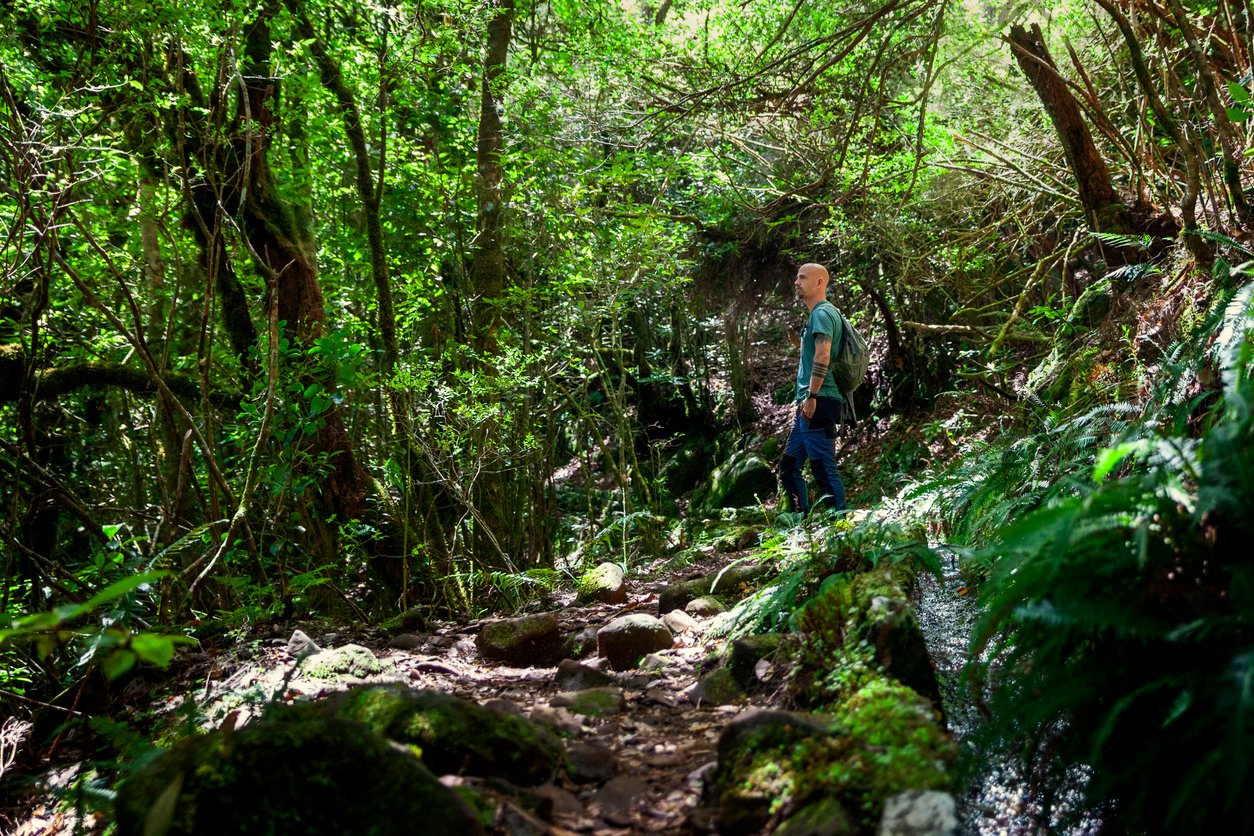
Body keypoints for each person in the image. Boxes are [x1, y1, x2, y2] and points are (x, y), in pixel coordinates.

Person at [779, 262, 847, 514]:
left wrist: (812, 395)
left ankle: (839, 522)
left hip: (819, 400)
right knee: (789, 465)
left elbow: (823, 356)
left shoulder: (822, 313)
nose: (796, 282)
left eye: (802, 277)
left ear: (820, 283)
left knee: (822, 464)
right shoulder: (818, 315)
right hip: (811, 402)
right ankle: (801, 522)